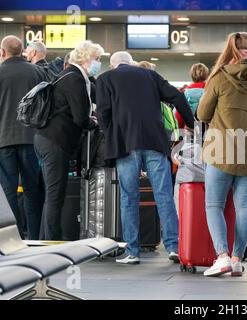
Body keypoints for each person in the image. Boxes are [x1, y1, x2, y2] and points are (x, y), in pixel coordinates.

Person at [96, 51, 195, 265]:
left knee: (129, 198)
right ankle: (174, 247)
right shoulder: (149, 75)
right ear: (131, 63)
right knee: (164, 195)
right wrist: (191, 123)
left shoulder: (105, 78)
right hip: (154, 142)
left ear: (114, 65)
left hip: (125, 145)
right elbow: (177, 96)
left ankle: (133, 251)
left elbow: (103, 113)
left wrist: (110, 134)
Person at [197, 32, 247, 277]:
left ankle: (221, 257)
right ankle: (237, 258)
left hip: (221, 151)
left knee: (214, 204)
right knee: (243, 205)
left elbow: (202, 114)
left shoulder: (220, 77)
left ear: (233, 52)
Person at [34, 40, 103, 240]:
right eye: (97, 59)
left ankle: (45, 238)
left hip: (47, 139)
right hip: (56, 141)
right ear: (86, 59)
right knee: (56, 195)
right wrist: (94, 122)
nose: (99, 63)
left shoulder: (68, 75)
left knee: (52, 194)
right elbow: (80, 117)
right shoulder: (75, 78)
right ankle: (52, 242)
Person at [0, 35, 46, 240]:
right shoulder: (38, 71)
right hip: (32, 139)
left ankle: (13, 237)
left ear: (3, 52)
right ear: (23, 52)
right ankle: (34, 237)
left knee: (9, 191)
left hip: (3, 140)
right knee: (32, 190)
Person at [175, 63, 209, 128]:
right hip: (207, 128)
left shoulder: (185, 93)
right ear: (206, 75)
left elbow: (179, 115)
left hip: (189, 127)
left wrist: (179, 129)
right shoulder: (210, 91)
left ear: (192, 75)